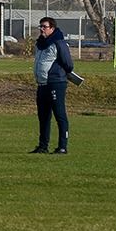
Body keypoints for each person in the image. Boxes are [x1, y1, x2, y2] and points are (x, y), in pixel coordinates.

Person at [31, 16, 74, 154]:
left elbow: (68, 64)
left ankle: (62, 146)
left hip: (56, 83)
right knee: (43, 116)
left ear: (52, 28)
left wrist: (57, 72)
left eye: (45, 27)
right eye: (40, 26)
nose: (42, 29)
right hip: (42, 84)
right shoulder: (40, 44)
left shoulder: (59, 43)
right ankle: (43, 146)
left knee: (59, 115)